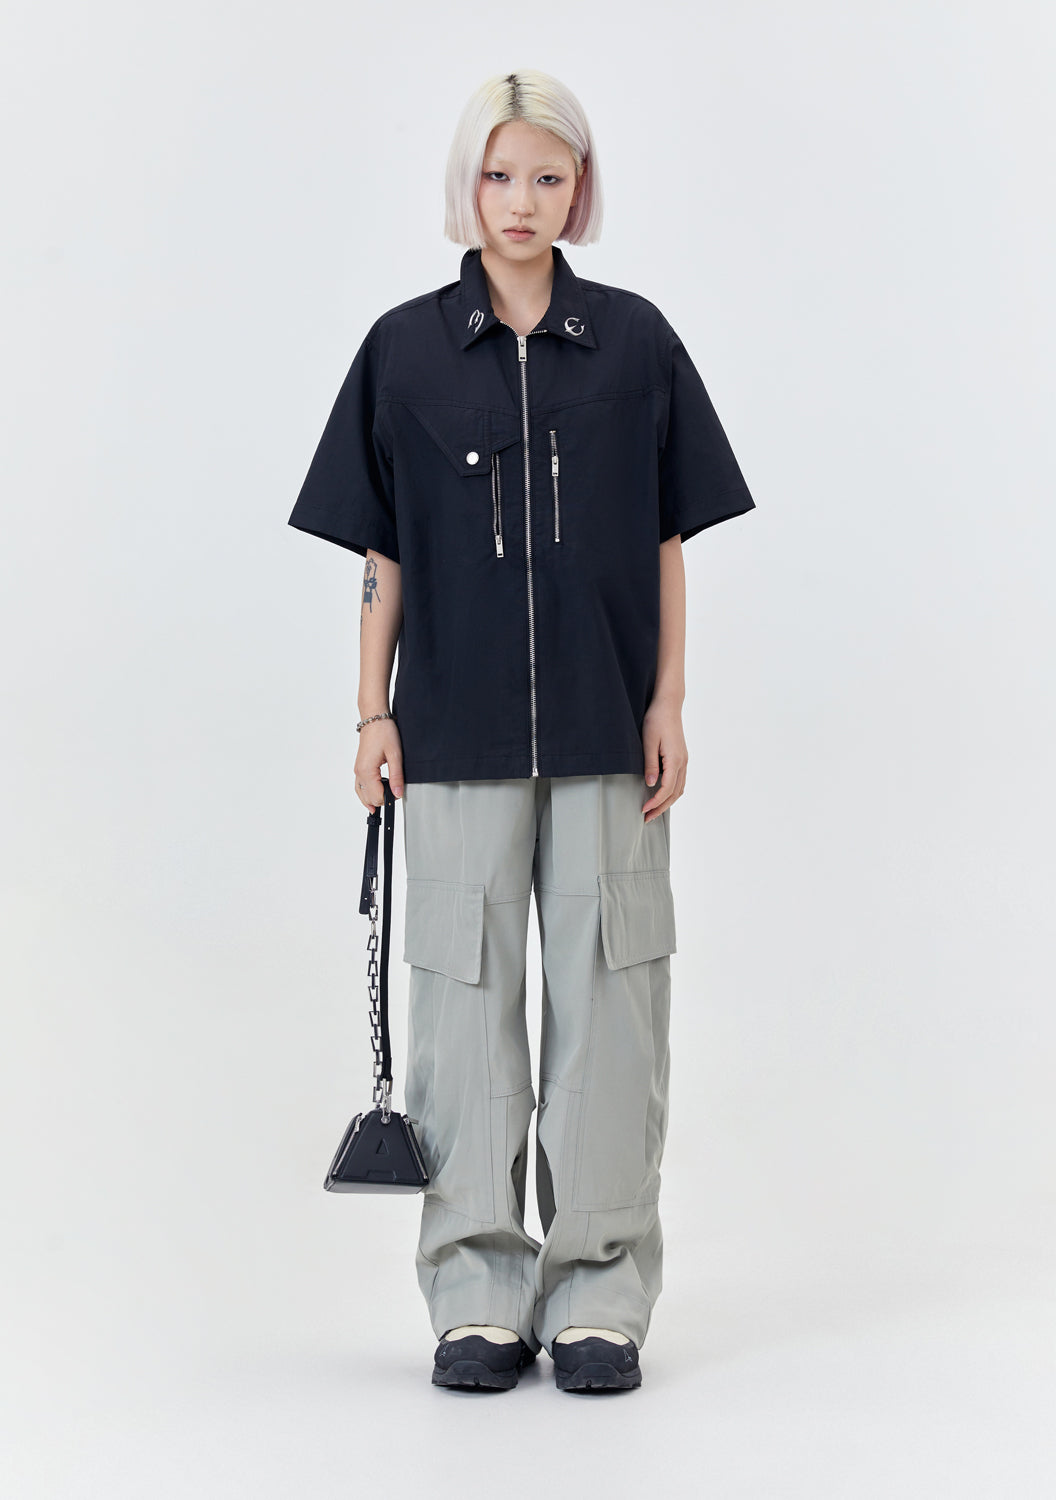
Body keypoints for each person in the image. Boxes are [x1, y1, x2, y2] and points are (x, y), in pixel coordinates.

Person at [288, 68, 756, 1393]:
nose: (522, 201)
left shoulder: (637, 343)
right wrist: (371, 711)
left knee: (614, 1010)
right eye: (500, 175)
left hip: (610, 733)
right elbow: (381, 553)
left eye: (550, 177)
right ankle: (477, 1292)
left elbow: (667, 540)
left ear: (579, 189)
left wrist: (668, 701)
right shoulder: (404, 351)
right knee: (462, 1019)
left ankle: (601, 1291)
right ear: (468, 184)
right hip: (451, 735)